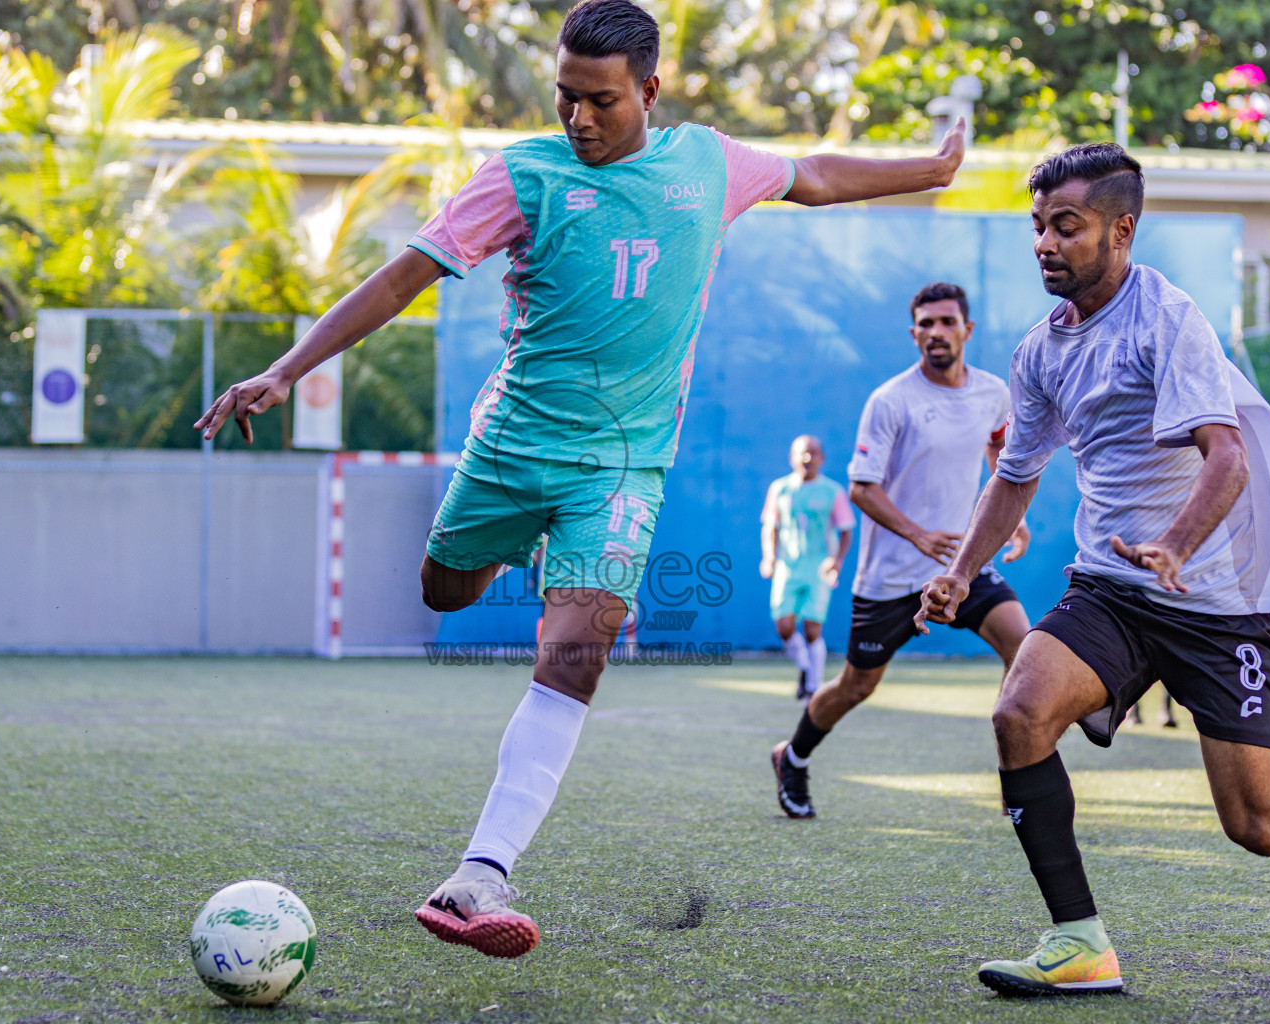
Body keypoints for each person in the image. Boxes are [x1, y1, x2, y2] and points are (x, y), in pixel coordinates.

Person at [195, 0, 968, 960]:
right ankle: (511, 545)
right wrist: (288, 367)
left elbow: (813, 174)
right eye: (564, 97)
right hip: (513, 447)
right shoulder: (520, 176)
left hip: (622, 467)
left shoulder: (708, 164)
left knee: (575, 656)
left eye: (599, 100)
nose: (578, 119)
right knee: (444, 591)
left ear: (648, 91)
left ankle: (481, 873)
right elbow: (402, 277)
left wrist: (928, 170)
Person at [915, 142, 1270, 997]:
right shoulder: (1041, 350)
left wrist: (1177, 547)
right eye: (1037, 226)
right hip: (1110, 589)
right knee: (1019, 713)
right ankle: (1081, 942)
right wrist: (963, 571)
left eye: (1065, 227)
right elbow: (1015, 475)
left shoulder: (1168, 317)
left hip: (1212, 604)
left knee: (1258, 825)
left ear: (1121, 230)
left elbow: (1226, 458)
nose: (1045, 242)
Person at [770, 282, 1031, 819]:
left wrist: (1015, 519)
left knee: (1023, 649)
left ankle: (1016, 776)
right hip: (890, 579)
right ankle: (792, 756)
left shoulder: (991, 394)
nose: (937, 332)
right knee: (856, 685)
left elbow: (1000, 451)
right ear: (914, 334)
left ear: (967, 329)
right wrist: (917, 534)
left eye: (946, 322)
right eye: (926, 324)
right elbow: (862, 486)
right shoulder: (890, 401)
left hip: (962, 566)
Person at [760, 435, 856, 703]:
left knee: (813, 630)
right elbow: (770, 527)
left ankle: (813, 686)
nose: (807, 458)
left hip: (819, 567)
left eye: (813, 452)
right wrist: (769, 557)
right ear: (792, 458)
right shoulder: (780, 489)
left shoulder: (832, 492)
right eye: (802, 453)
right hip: (787, 567)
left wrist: (836, 561)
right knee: (784, 627)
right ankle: (804, 668)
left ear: (821, 458)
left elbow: (846, 530)